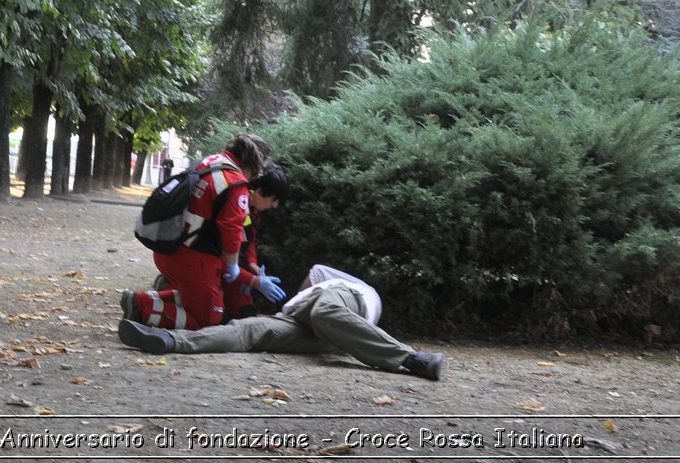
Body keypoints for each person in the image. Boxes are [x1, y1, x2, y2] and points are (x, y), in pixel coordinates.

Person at [117, 263, 447, 381]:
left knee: (322, 311)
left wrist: (291, 299)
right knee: (248, 330)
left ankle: (411, 358)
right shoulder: (308, 304)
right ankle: (169, 340)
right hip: (316, 329)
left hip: (342, 306)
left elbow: (315, 274)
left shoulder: (351, 286)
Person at [120, 132, 274, 330]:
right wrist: (233, 266)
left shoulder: (209, 163)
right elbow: (232, 229)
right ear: (254, 163)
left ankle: (140, 300)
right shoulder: (235, 182)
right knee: (209, 319)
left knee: (200, 300)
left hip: (170, 246)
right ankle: (144, 310)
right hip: (193, 258)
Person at [224, 166, 291, 321]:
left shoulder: (253, 210)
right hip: (216, 266)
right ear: (260, 191)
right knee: (212, 316)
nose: (275, 205)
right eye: (274, 199)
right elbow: (222, 253)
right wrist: (252, 281)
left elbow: (250, 239)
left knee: (245, 313)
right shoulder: (237, 205)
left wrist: (253, 265)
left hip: (232, 270)